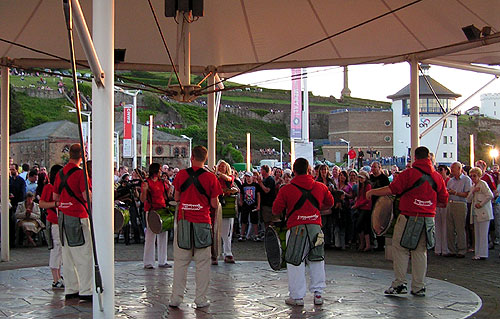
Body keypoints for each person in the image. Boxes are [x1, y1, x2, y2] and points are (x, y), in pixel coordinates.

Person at [367, 146, 448, 297]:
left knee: (401, 249)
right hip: (428, 219)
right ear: (429, 158)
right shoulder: (437, 177)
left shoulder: (409, 174)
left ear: (415, 157)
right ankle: (419, 286)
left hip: (409, 216)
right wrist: (427, 204)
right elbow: (444, 200)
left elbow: (392, 189)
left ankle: (400, 283)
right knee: (420, 252)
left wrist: (372, 192)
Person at [272, 158, 334, 306]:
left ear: (294, 171)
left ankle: (297, 296)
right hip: (315, 228)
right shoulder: (321, 187)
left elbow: (275, 210)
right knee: (317, 259)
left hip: (295, 229)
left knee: (295, 262)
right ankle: (318, 294)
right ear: (309, 170)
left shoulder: (286, 189)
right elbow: (330, 203)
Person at [169, 146, 222, 308]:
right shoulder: (211, 178)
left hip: (184, 222)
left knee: (180, 263)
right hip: (202, 222)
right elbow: (214, 203)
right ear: (205, 159)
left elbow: (176, 197)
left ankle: (176, 298)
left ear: (192, 157)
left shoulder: (181, 175)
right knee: (202, 264)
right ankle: (200, 299)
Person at [53, 143, 93, 302]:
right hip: (78, 215)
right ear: (82, 156)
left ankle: (71, 288)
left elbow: (55, 198)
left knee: (67, 254)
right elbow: (85, 196)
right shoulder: (81, 174)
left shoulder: (60, 173)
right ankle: (86, 289)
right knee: (83, 254)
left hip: (62, 216)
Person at [140, 163, 171, 269]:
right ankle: (148, 262)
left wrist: (170, 186)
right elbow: (143, 199)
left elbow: (168, 195)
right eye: (160, 170)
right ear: (156, 171)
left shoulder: (162, 182)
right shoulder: (146, 183)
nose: (161, 172)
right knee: (150, 235)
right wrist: (144, 190)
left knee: (163, 235)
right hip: (151, 210)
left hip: (161, 209)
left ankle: (163, 260)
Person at [39, 164, 64, 289]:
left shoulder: (59, 187)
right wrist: (55, 204)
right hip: (54, 222)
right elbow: (42, 203)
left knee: (60, 250)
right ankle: (56, 278)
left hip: (61, 221)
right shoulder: (49, 187)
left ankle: (59, 275)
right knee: (56, 249)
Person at [446, 162, 472, 258]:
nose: (452, 171)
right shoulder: (450, 181)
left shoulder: (466, 180)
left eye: (453, 168)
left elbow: (467, 194)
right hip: (450, 203)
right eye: (451, 168)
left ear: (459, 169)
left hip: (460, 204)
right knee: (449, 228)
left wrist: (455, 193)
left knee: (460, 227)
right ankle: (451, 249)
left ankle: (461, 250)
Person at [467, 167, 494, 260]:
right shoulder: (473, 186)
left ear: (479, 176)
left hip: (483, 212)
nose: (473, 178)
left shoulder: (483, 184)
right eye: (471, 176)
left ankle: (482, 253)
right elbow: (468, 199)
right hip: (475, 212)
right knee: (477, 233)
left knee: (483, 233)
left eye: (474, 176)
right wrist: (472, 191)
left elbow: (490, 195)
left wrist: (481, 204)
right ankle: (478, 252)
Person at [215, 160, 238, 264]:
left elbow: (229, 179)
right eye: (219, 166)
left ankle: (227, 252)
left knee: (227, 232)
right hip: (215, 205)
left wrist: (220, 175)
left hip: (227, 206)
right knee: (214, 231)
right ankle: (214, 253)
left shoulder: (229, 178)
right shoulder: (214, 178)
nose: (221, 168)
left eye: (223, 166)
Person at [370, 161, 390, 251]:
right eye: (372, 167)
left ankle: (381, 244)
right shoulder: (370, 178)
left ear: (379, 168)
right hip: (372, 203)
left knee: (380, 223)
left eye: (375, 167)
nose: (373, 169)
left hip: (381, 203)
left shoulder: (384, 179)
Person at [238, 171, 261, 242]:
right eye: (246, 177)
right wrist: (241, 201)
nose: (248, 178)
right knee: (244, 220)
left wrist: (258, 205)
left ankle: (256, 235)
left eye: (249, 177)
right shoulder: (243, 186)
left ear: (252, 177)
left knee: (254, 220)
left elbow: (258, 195)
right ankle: (242, 235)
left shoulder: (256, 185)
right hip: (245, 204)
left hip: (253, 204)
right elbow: (241, 194)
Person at [353, 170, 372, 251]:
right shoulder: (360, 186)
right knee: (361, 226)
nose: (360, 179)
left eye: (362, 178)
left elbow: (367, 198)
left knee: (363, 226)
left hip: (366, 208)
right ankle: (363, 243)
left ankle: (366, 244)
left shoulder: (368, 186)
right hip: (361, 207)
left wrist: (357, 204)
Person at [435, 165, 451, 256]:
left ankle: (445, 248)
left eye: (441, 170)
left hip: (445, 204)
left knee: (445, 226)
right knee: (438, 226)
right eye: (438, 170)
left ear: (446, 171)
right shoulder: (437, 180)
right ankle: (438, 248)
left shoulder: (449, 181)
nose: (439, 171)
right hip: (438, 204)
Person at [9, 163, 27, 247]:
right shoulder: (9, 180)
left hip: (18, 204)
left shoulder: (21, 181)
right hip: (10, 204)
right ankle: (11, 241)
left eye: (13, 169)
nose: (11, 171)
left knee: (16, 221)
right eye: (10, 169)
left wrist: (16, 198)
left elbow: (22, 193)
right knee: (10, 223)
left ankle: (19, 240)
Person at [258, 165, 277, 229]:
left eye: (261, 170)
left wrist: (260, 183)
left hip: (269, 204)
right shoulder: (264, 180)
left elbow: (267, 190)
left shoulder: (270, 179)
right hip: (264, 203)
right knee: (265, 221)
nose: (260, 171)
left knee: (269, 221)